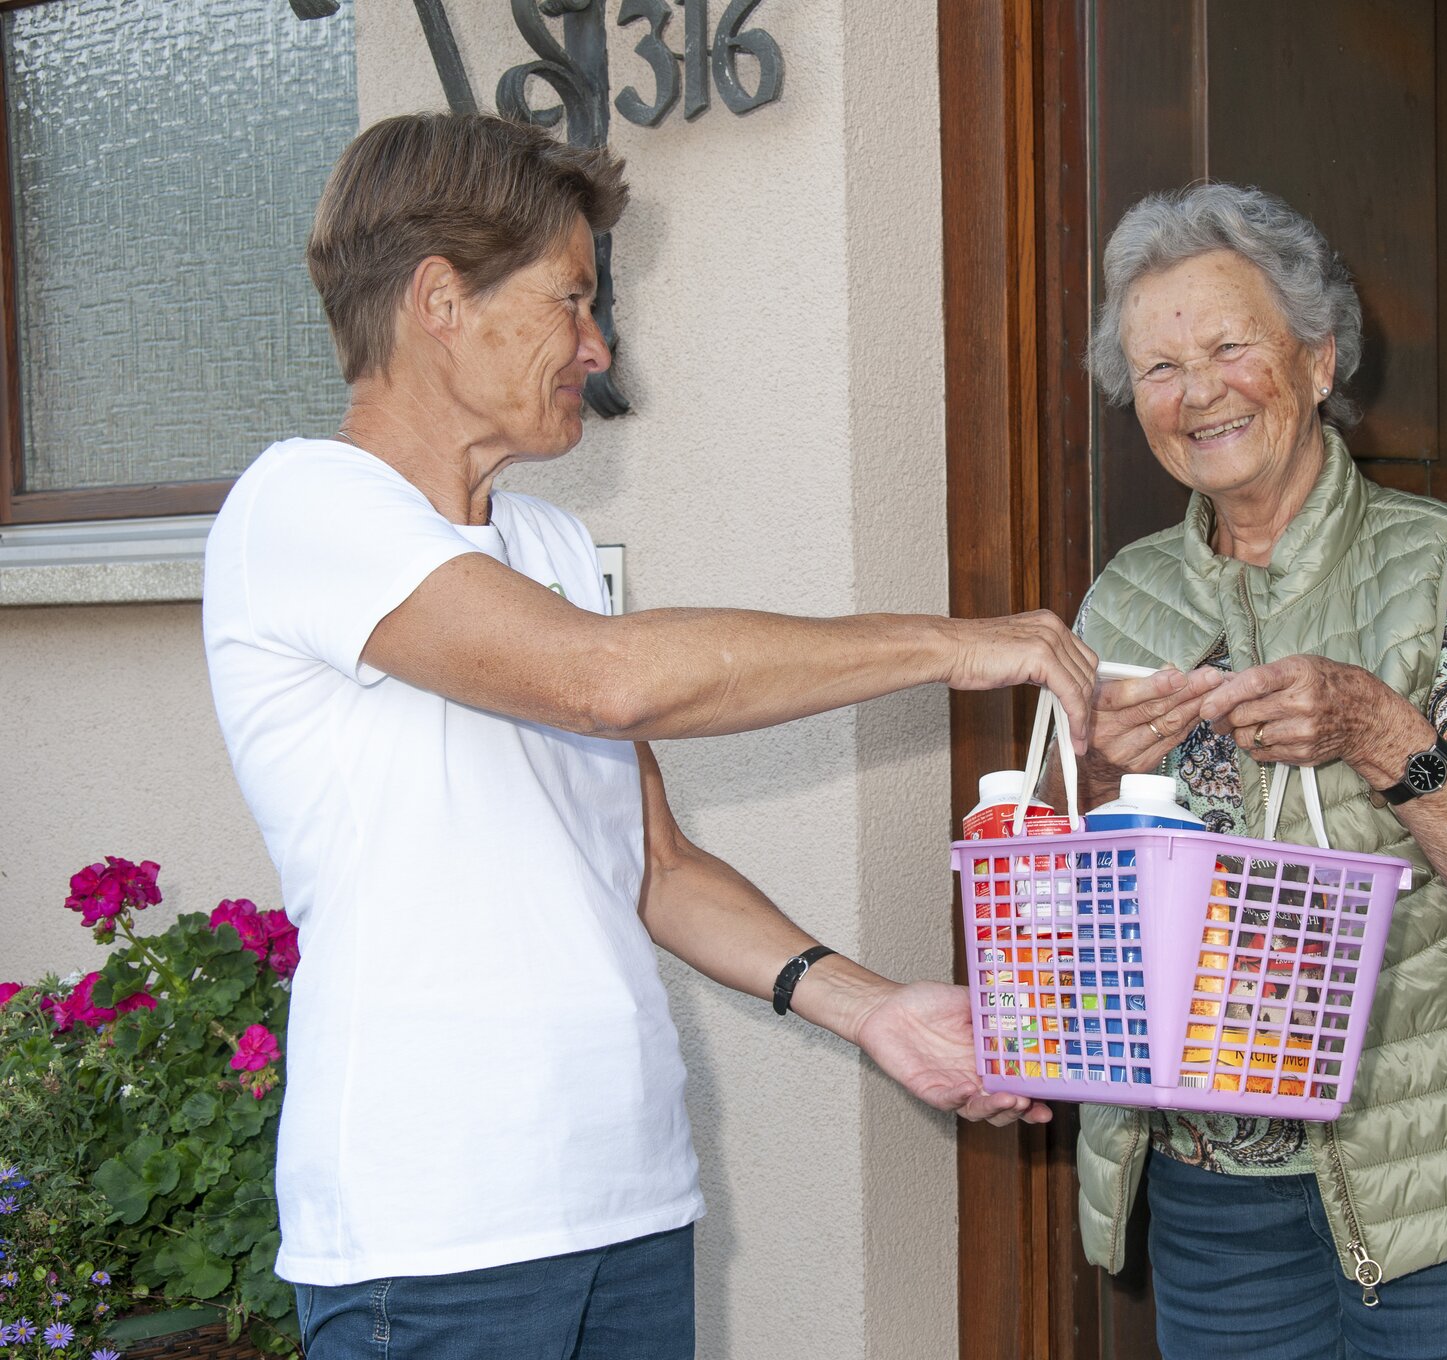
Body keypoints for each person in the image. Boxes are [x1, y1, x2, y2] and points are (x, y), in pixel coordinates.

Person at [200, 113, 1095, 1359]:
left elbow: (654, 867)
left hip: (627, 1202)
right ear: (438, 299)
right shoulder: (300, 506)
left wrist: (876, 1009)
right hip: (438, 1235)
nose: (595, 345)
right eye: (570, 302)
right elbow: (605, 681)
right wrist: (950, 645)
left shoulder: (551, 547)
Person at [1069, 183, 1447, 1360]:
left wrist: (1384, 733)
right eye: (1159, 367)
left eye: (1229, 345)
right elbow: (1088, 922)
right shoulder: (1122, 598)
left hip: (1436, 1168)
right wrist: (1100, 791)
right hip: (1207, 1184)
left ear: (1318, 360)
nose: (1197, 389)